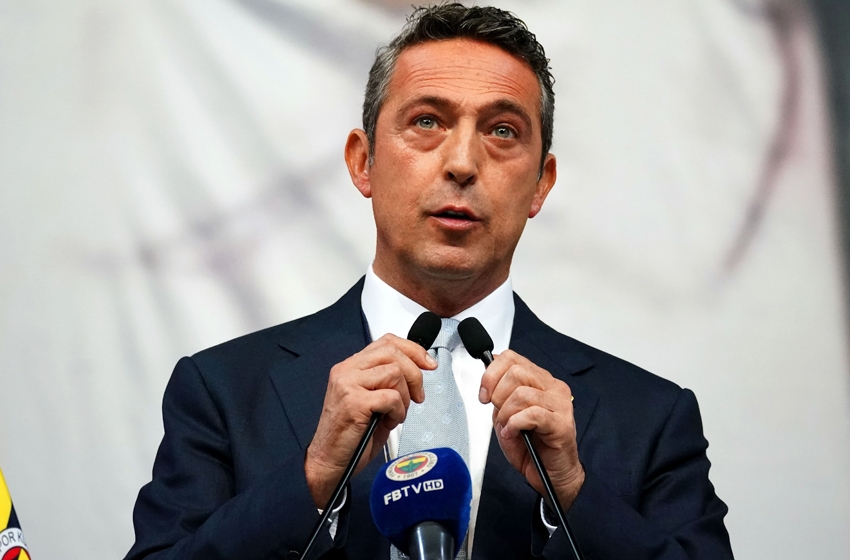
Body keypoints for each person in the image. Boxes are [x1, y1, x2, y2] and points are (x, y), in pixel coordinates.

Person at [125, 4, 733, 559]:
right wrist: (311, 479)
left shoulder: (650, 418)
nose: (463, 163)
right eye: (426, 121)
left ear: (541, 184)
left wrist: (574, 492)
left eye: (502, 131)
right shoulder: (223, 392)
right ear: (363, 161)